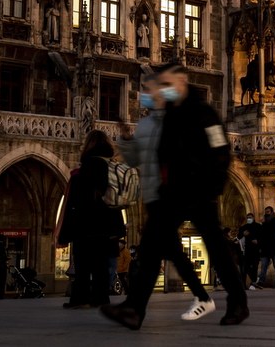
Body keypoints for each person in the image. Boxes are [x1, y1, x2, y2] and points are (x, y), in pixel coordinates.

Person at [101, 64, 248, 329]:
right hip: (173, 193)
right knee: (150, 247)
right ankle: (134, 309)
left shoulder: (204, 112)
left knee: (217, 248)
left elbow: (220, 149)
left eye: (167, 84)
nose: (164, 89)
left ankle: (238, 302)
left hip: (200, 191)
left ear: (181, 82)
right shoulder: (169, 116)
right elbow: (162, 154)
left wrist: (213, 186)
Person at [57, 130, 125, 309]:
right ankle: (101, 298)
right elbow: (117, 204)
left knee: (83, 266)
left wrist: (65, 234)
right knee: (101, 265)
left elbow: (72, 206)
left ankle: (80, 298)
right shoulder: (113, 172)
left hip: (84, 228)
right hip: (105, 228)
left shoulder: (80, 174)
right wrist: (118, 230)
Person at [253, 206, 275, 289]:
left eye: (268, 212)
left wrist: (264, 224)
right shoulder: (264, 223)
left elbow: (273, 232)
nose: (266, 213)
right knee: (263, 266)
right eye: (266, 212)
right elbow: (262, 235)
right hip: (265, 248)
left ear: (272, 212)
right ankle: (261, 282)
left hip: (274, 247)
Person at [237, 212, 262, 289]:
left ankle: (253, 282)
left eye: (250, 217)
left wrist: (258, 241)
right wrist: (243, 234)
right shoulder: (244, 227)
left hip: (256, 250)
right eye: (248, 218)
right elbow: (238, 236)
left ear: (253, 218)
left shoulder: (258, 226)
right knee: (246, 267)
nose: (249, 219)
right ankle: (253, 281)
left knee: (255, 266)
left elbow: (263, 237)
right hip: (247, 250)